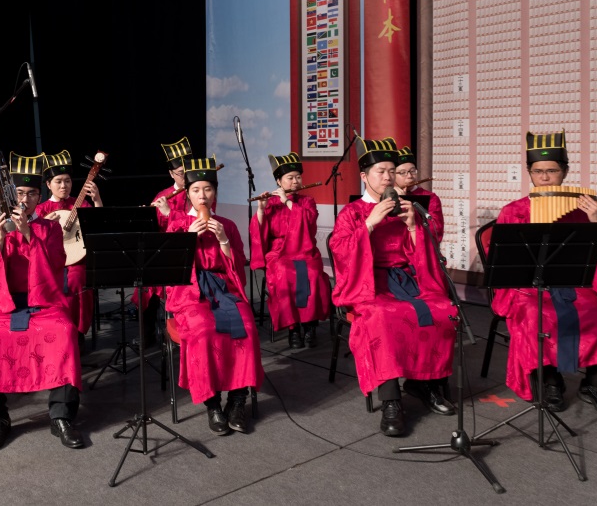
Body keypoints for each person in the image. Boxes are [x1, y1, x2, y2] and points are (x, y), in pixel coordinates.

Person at [490, 131, 597, 416]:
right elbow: (501, 261)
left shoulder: (581, 208)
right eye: (538, 172)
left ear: (565, 171)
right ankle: (551, 383)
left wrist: (595, 221)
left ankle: (596, 385)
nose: (545, 177)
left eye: (552, 170)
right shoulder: (513, 211)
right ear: (529, 173)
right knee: (536, 314)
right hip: (526, 287)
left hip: (572, 283)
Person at [329, 136, 456, 437]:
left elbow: (425, 252)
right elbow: (340, 250)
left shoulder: (407, 207)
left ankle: (426, 383)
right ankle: (391, 400)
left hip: (407, 279)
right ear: (364, 177)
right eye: (380, 172)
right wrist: (369, 224)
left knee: (442, 310)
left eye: (390, 171)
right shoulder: (353, 212)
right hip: (369, 283)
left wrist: (414, 226)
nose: (387, 177)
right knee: (383, 318)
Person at [0, 152, 84, 451]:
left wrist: (28, 234)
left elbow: (54, 268)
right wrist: (0, 238)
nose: (26, 199)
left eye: (32, 194)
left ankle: (61, 416)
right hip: (2, 304)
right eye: (20, 193)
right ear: (10, 195)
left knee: (65, 333)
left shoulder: (50, 227)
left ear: (39, 196)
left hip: (42, 302)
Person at [163, 155, 263, 436]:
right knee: (204, 330)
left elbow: (237, 270)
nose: (202, 195)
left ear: (215, 193)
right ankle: (212, 403)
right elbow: (171, 270)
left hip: (224, 288)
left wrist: (223, 241)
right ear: (188, 194)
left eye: (207, 189)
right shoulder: (178, 223)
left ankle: (237, 399)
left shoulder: (227, 224)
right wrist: (187, 240)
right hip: (191, 292)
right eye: (196, 190)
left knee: (245, 328)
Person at [249, 152, 332, 349]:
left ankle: (310, 326)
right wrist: (261, 209)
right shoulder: (271, 203)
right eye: (290, 178)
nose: (296, 181)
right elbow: (260, 233)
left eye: (298, 177)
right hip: (279, 253)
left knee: (313, 275)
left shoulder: (307, 201)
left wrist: (288, 202)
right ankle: (293, 329)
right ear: (279, 181)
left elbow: (308, 222)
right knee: (284, 274)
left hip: (305, 251)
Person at [34, 150, 101, 336]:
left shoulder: (80, 204)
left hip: (76, 262)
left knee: (77, 281)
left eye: (68, 181)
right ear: (48, 184)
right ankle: (54, 330)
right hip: (49, 262)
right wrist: (47, 226)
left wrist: (96, 200)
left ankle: (77, 332)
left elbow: (97, 226)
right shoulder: (41, 209)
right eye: (58, 181)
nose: (64, 186)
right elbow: (32, 237)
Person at [136, 137, 193, 345]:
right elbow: (157, 230)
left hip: (191, 251)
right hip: (167, 251)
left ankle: (183, 331)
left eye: (188, 170)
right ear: (171, 174)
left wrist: (170, 213)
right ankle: (147, 334)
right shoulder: (163, 195)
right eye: (180, 173)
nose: (185, 176)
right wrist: (148, 217)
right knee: (145, 284)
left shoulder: (199, 192)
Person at [393, 146, 444, 244]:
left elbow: (436, 232)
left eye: (412, 171)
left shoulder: (431, 198)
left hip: (422, 252)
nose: (409, 176)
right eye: (403, 173)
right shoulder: (386, 196)